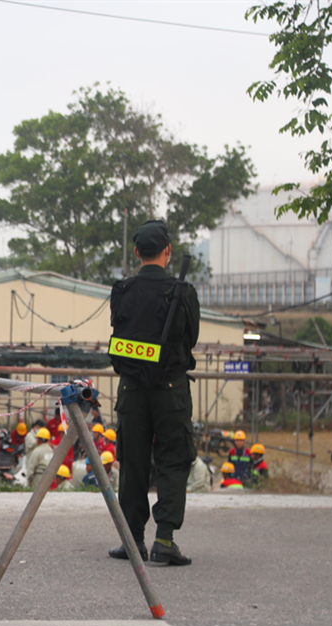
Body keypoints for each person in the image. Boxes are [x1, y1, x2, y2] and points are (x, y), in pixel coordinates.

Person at [107, 220, 200, 566]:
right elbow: (190, 339)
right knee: (174, 459)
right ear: (168, 251)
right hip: (171, 390)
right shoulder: (183, 292)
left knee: (132, 462)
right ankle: (164, 539)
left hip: (131, 389)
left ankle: (132, 541)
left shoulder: (123, 290)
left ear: (136, 253)